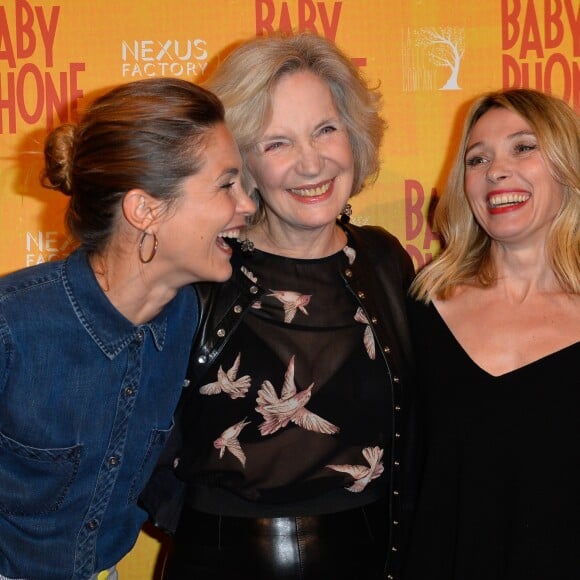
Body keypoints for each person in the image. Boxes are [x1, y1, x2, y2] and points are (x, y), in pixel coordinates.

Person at [142, 32, 417, 580]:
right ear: (241, 161)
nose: (311, 164)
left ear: (353, 135)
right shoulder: (200, 273)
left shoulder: (385, 259)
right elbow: (136, 445)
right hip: (222, 562)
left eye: (325, 130)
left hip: (376, 560)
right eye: (277, 143)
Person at [0, 77, 254, 580]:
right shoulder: (13, 328)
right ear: (145, 210)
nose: (246, 204)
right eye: (226, 184)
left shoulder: (185, 317)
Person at [402, 88, 580, 579]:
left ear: (567, 163)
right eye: (477, 158)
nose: (496, 170)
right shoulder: (420, 310)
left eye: (523, 147)